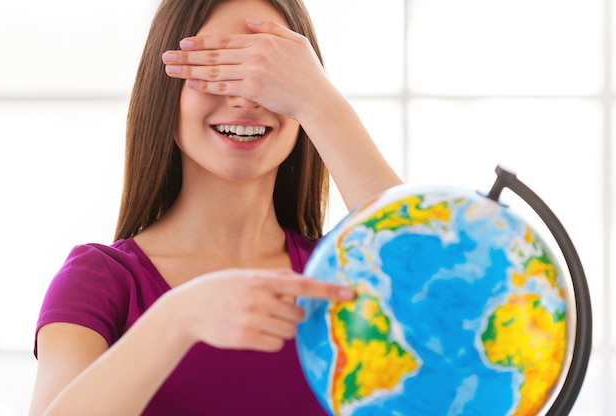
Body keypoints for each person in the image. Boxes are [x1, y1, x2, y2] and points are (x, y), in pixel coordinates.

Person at [29, 0, 402, 414]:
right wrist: (179, 318)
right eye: (216, 70)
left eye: (267, 73)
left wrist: (321, 103)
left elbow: (429, 274)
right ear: (164, 92)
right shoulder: (101, 283)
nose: (245, 99)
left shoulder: (341, 276)